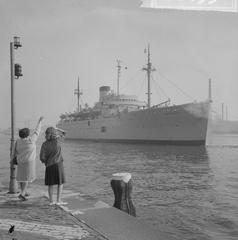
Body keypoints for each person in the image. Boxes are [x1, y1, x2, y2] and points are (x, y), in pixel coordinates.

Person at [11, 116, 44, 201]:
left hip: (20, 161)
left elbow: (13, 151)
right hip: (29, 162)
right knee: (26, 178)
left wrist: (12, 160)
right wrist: (39, 121)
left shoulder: (18, 141)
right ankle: (22, 194)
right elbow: (37, 131)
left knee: (22, 177)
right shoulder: (31, 140)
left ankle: (23, 192)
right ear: (27, 134)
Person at [40, 127, 66, 205]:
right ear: (54, 133)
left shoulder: (44, 144)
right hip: (58, 164)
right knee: (60, 183)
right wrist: (57, 129)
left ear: (46, 134)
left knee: (50, 184)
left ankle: (51, 201)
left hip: (49, 166)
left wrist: (45, 162)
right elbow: (64, 133)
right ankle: (58, 200)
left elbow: (41, 157)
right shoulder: (58, 140)